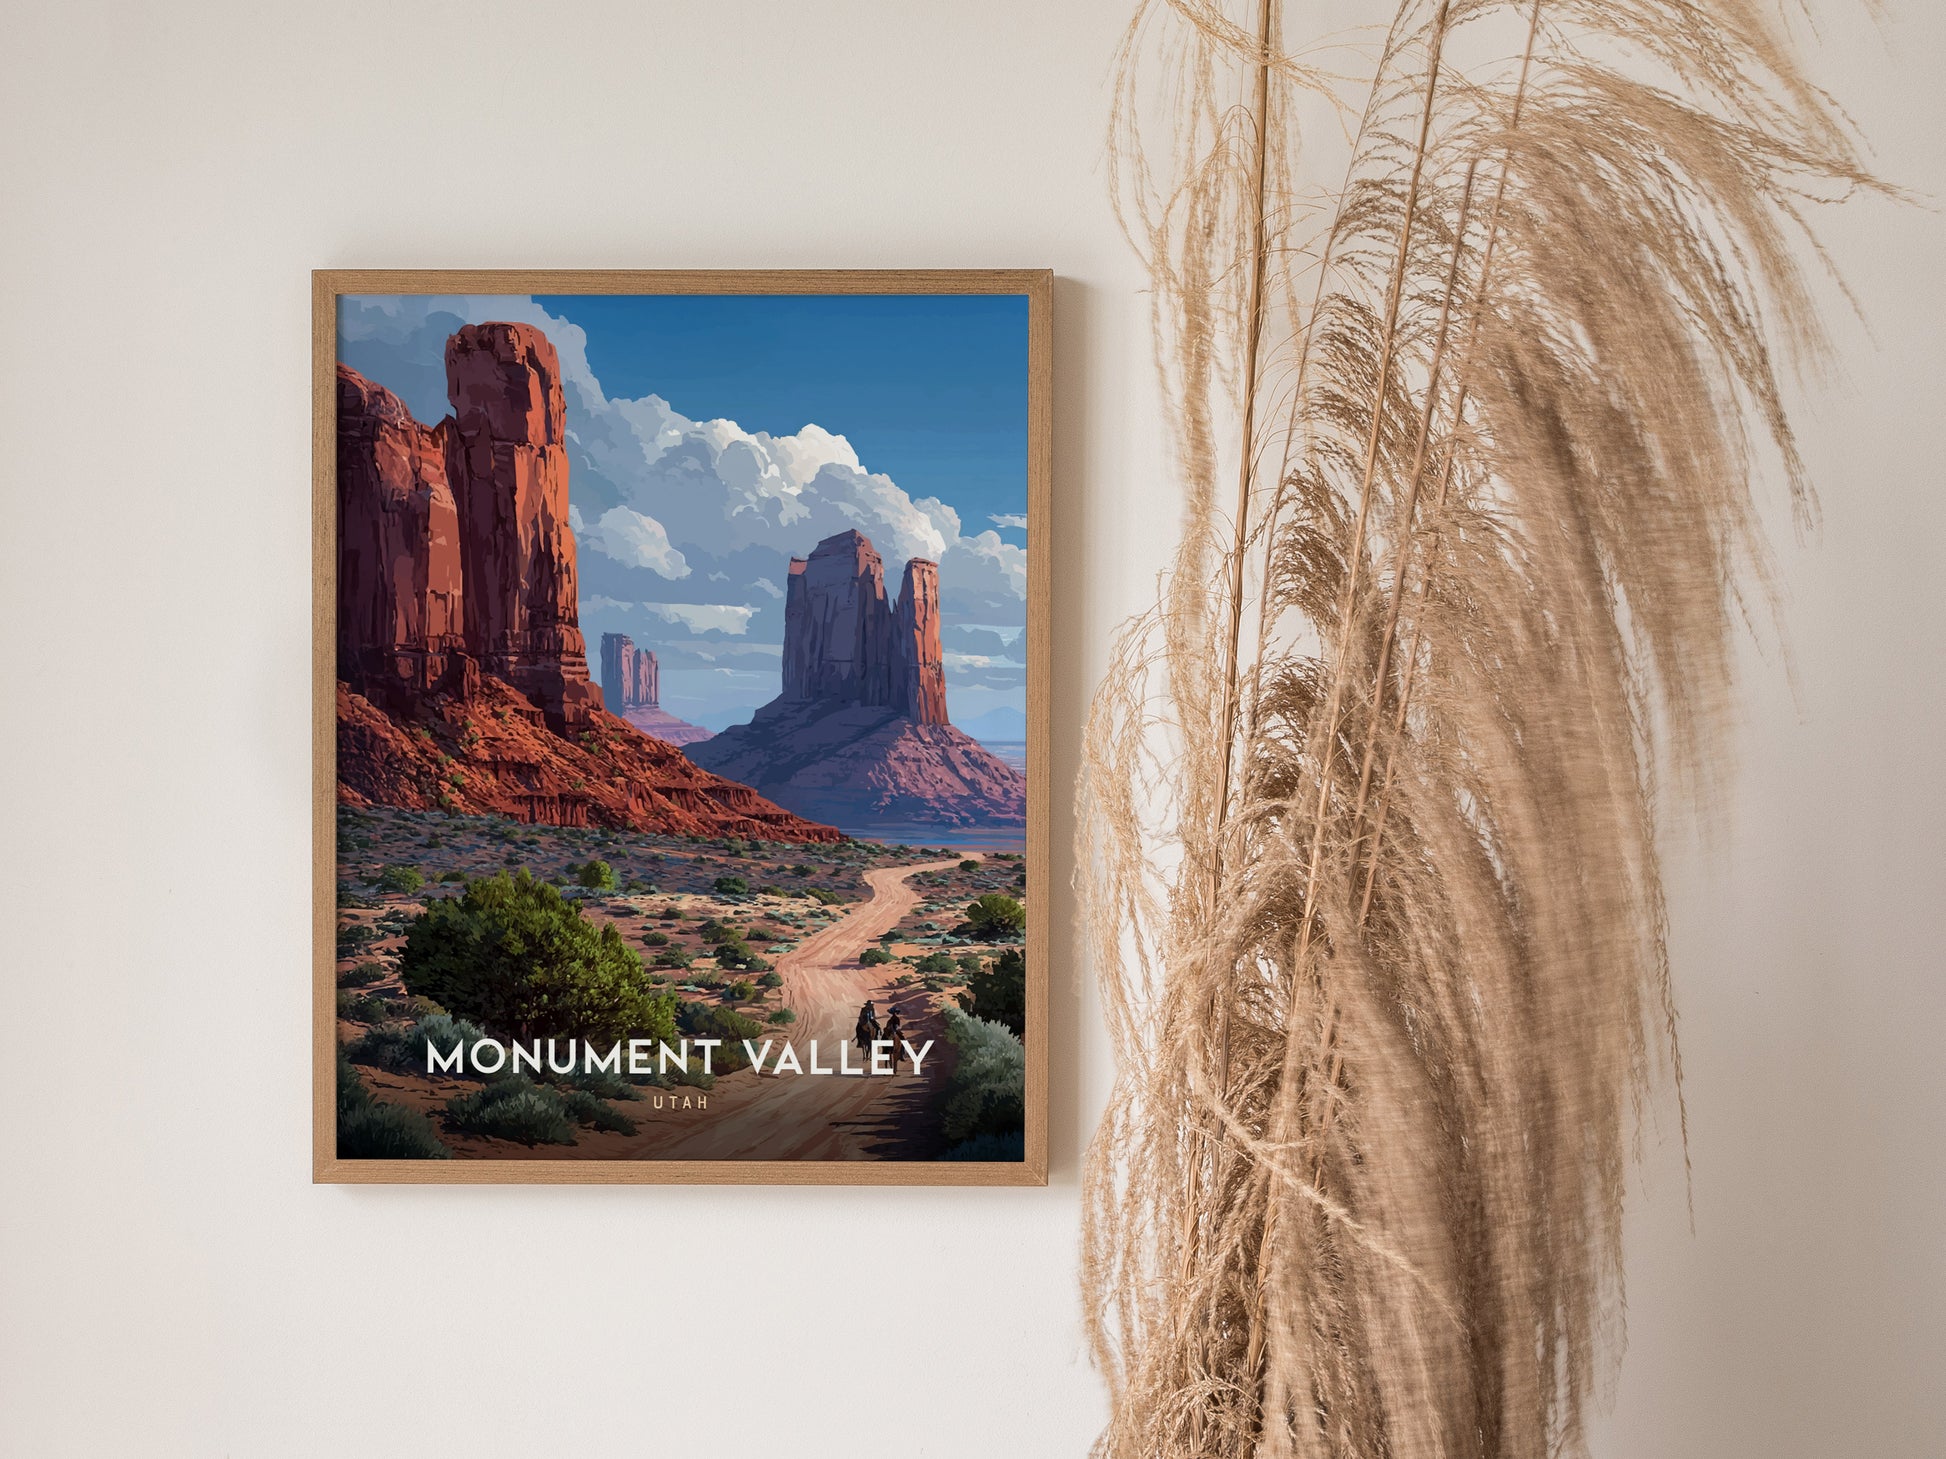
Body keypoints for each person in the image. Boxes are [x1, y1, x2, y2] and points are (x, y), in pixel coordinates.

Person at [881, 1006, 906, 1072]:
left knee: (903, 1040)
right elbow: (889, 1026)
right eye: (893, 1012)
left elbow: (897, 1026)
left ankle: (902, 1053)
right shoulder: (891, 1020)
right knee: (884, 1037)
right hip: (892, 1031)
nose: (894, 1013)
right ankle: (885, 1050)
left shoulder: (894, 1019)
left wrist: (896, 1029)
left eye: (895, 1012)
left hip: (895, 1031)